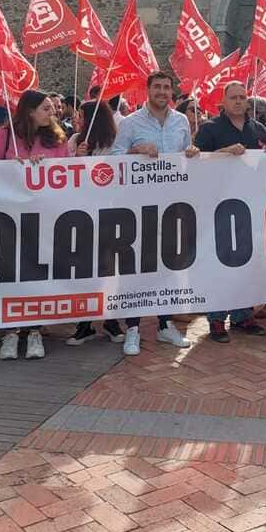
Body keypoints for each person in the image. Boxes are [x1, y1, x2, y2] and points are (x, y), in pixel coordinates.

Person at [110, 71, 200, 355]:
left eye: (166, 87)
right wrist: (135, 150)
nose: (162, 91)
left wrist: (193, 153)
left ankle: (163, 325)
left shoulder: (181, 121)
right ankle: (133, 328)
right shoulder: (130, 122)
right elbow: (113, 158)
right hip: (138, 206)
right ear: (148, 90)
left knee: (167, 264)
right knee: (136, 266)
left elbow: (187, 152)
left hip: (172, 205)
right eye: (157, 87)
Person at [0, 89, 69, 360]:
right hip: (10, 218)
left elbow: (70, 173)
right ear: (30, 111)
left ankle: (35, 330)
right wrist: (13, 167)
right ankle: (10, 333)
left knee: (37, 273)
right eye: (46, 108)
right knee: (12, 273)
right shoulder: (2, 136)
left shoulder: (57, 139)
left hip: (47, 217)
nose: (53, 112)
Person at [194, 81, 266, 343]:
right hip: (218, 204)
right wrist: (223, 153)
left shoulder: (258, 129)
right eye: (234, 97)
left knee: (246, 261)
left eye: (243, 97)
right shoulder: (210, 129)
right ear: (223, 102)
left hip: (250, 205)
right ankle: (216, 318)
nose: (239, 101)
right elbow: (196, 161)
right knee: (220, 260)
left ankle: (242, 315)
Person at [65, 100, 127, 346]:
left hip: (109, 215)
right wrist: (76, 158)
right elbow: (62, 175)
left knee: (107, 270)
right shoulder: (74, 141)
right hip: (81, 215)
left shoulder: (114, 143)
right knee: (84, 270)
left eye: (82, 115)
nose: (78, 119)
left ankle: (110, 321)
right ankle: (85, 324)